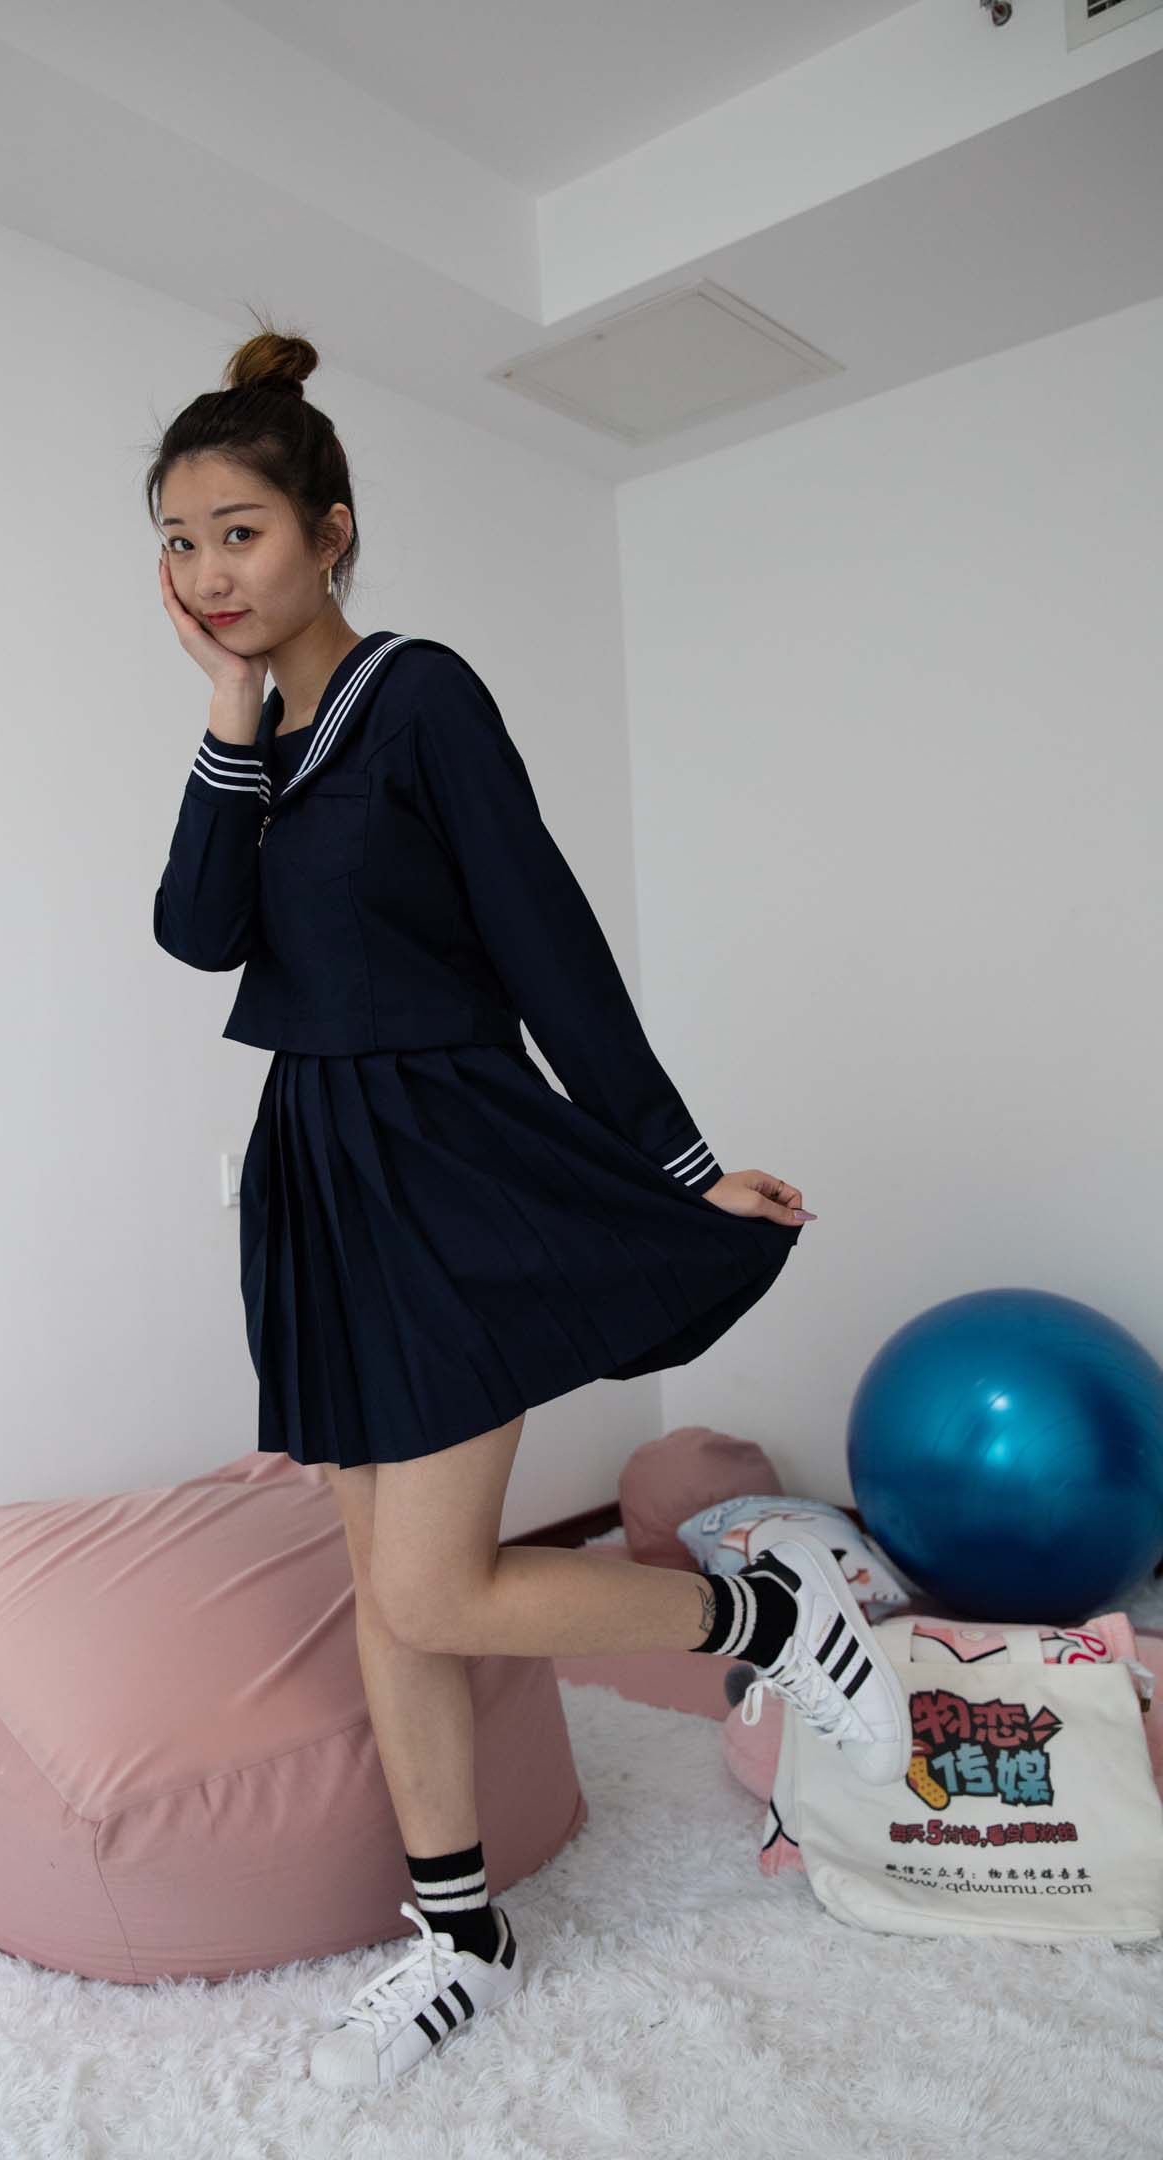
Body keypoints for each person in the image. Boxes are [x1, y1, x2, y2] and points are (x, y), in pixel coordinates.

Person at [148, 310, 910, 2090]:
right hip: (317, 1169)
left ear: (332, 530)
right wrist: (226, 710)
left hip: (447, 1153)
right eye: (178, 544)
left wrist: (677, 1159)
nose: (207, 573)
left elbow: (544, 933)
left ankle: (773, 1622)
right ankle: (459, 1936)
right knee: (383, 1588)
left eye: (238, 533)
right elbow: (197, 930)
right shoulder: (265, 735)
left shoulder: (422, 695)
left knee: (433, 1590)